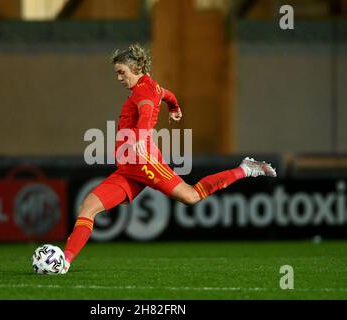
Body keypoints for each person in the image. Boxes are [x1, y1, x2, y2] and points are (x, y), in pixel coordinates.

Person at [60, 43, 276, 274]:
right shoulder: (149, 87)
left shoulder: (144, 91)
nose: (119, 78)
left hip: (144, 163)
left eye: (121, 72)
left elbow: (145, 113)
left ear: (135, 67)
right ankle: (64, 261)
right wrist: (174, 106)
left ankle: (245, 169)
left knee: (191, 196)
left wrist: (142, 141)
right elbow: (166, 94)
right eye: (117, 73)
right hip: (128, 169)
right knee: (88, 207)